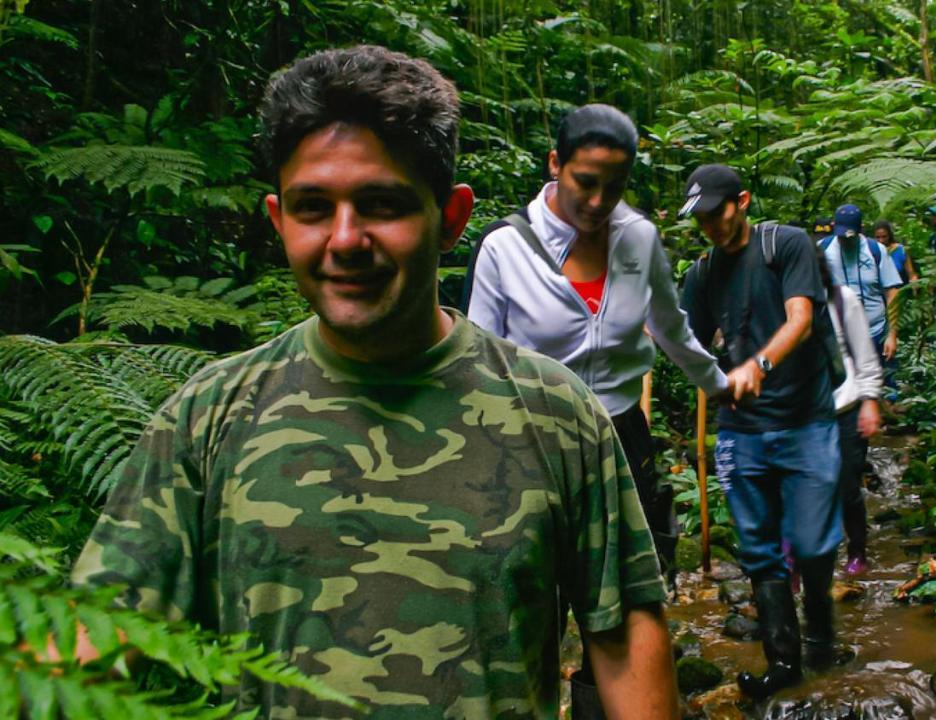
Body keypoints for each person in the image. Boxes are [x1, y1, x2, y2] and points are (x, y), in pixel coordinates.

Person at [70, 45, 678, 720]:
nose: (345, 239)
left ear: (450, 218)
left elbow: (622, 640)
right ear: (278, 221)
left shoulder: (557, 414)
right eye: (312, 208)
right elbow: (89, 643)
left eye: (381, 204)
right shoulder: (210, 417)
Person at [466, 104, 728, 583]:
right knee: (541, 582)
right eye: (585, 182)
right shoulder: (505, 247)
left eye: (615, 185)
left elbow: (671, 326)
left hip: (623, 434)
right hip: (536, 439)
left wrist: (720, 385)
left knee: (633, 585)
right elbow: (480, 362)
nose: (598, 200)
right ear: (554, 164)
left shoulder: (639, 239)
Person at [678, 164, 844, 699]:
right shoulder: (701, 273)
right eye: (700, 219)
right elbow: (691, 344)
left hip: (806, 421)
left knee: (815, 543)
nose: (711, 226)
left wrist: (758, 366)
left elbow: (800, 319)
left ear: (742, 201)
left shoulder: (787, 246)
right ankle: (783, 664)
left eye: (717, 213)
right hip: (740, 430)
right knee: (759, 549)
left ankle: (821, 637)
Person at [817, 247, 883, 577]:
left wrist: (870, 400)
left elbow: (864, 353)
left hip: (844, 406)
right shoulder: (778, 303)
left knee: (846, 486)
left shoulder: (842, 300)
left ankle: (857, 549)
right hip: (802, 414)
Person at [820, 204, 903, 399]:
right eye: (842, 235)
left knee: (887, 387)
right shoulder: (822, 250)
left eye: (851, 235)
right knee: (846, 388)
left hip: (876, 331)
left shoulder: (876, 250)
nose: (846, 240)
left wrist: (892, 334)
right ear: (834, 227)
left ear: (861, 229)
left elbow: (892, 291)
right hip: (839, 334)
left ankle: (889, 420)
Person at [873, 219, 918, 284]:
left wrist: (914, 284)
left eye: (884, 237)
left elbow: (911, 273)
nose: (881, 240)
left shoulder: (900, 250)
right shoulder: (872, 250)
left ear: (889, 235)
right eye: (878, 237)